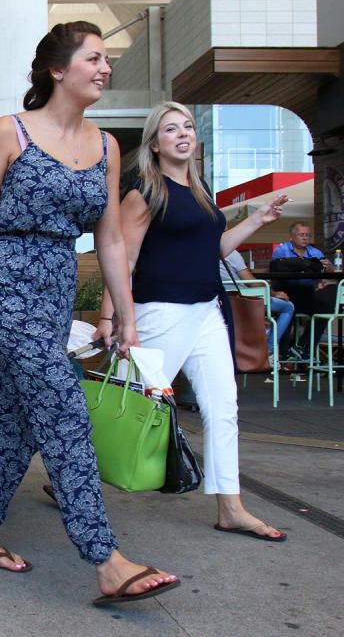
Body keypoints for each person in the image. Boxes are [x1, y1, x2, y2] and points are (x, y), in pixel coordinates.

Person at [0, 21, 180, 605]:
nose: (105, 69)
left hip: (53, 288)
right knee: (62, 402)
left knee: (17, 416)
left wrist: (122, 315)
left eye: (107, 61)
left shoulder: (105, 147)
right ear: (59, 69)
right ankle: (104, 557)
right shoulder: (10, 132)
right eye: (94, 59)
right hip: (3, 281)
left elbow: (108, 239)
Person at [98, 100, 288, 543]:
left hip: (205, 311)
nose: (183, 133)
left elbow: (214, 250)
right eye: (170, 129)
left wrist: (258, 219)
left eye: (187, 126)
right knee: (128, 406)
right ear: (155, 143)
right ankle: (73, 477)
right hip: (159, 311)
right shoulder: (145, 192)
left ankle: (231, 507)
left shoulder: (200, 193)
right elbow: (121, 260)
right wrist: (112, 316)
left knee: (224, 407)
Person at [270, 222, 338, 354]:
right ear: (292, 236)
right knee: (288, 308)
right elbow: (276, 270)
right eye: (302, 234)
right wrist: (304, 265)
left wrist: (329, 268)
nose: (305, 238)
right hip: (286, 291)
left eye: (308, 235)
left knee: (326, 309)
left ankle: (303, 347)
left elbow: (328, 272)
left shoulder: (316, 252)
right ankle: (282, 353)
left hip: (308, 293)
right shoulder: (282, 250)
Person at [219, 249, 295, 362]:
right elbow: (252, 283)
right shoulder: (231, 253)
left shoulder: (205, 254)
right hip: (245, 300)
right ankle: (269, 349)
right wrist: (273, 292)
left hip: (223, 302)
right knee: (288, 307)